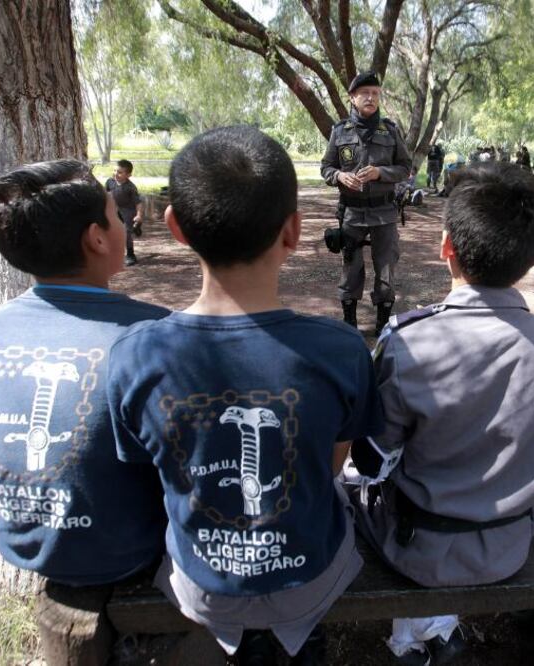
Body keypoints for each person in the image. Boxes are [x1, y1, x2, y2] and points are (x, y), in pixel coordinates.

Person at [108, 125, 383, 665]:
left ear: (175, 228)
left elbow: (150, 468)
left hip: (202, 583)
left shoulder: (135, 354)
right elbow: (332, 463)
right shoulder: (341, 349)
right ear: (294, 231)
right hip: (310, 576)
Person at [349, 161, 534, 664]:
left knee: (343, 484)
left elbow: (372, 462)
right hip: (510, 545)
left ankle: (417, 636)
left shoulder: (411, 342)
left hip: (421, 548)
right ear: (532, 258)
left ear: (446, 247)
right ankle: (435, 629)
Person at [0, 160, 168, 586]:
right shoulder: (155, 334)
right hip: (128, 552)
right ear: (97, 239)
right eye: (114, 216)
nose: (121, 224)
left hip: (23, 548)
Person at [321, 71, 413, 334]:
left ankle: (383, 324)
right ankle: (350, 324)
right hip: (351, 212)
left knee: (386, 268)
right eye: (365, 93)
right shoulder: (340, 132)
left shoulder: (390, 130)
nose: (371, 97)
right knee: (351, 268)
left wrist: (380, 173)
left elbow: (406, 168)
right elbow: (326, 167)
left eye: (375, 93)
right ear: (352, 98)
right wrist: (340, 175)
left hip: (385, 212)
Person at [105, 159, 143, 266]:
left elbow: (138, 203)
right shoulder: (110, 182)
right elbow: (106, 194)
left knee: (126, 232)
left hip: (128, 210)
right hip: (115, 209)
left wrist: (139, 215)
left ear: (129, 175)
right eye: (115, 171)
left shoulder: (130, 187)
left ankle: (130, 255)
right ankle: (113, 253)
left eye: (120, 172)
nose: (116, 174)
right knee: (111, 230)